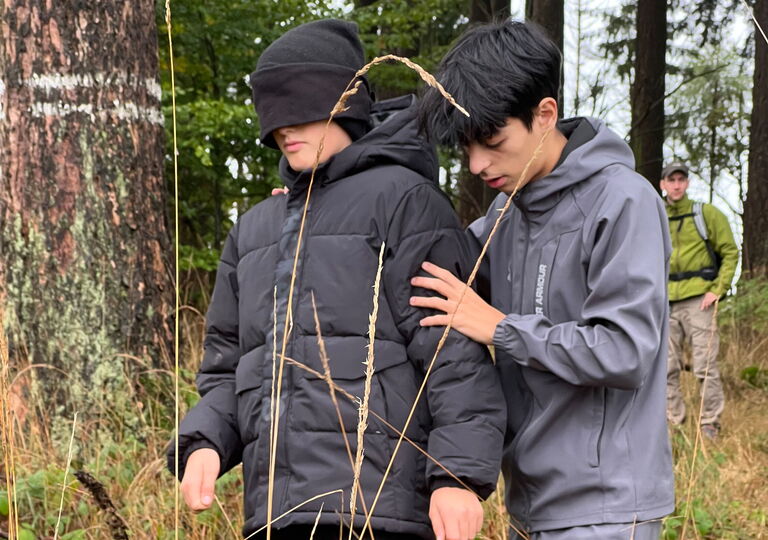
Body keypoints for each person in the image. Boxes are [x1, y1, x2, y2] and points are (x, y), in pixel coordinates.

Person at [167, 19, 506, 540]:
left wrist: (458, 477)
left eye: (299, 109)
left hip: (380, 510)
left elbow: (452, 357)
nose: (283, 129)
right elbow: (229, 367)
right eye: (273, 115)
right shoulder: (255, 230)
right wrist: (205, 442)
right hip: (275, 513)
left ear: (343, 102)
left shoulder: (404, 202)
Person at [412, 20, 674, 540]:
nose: (478, 164)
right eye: (466, 147)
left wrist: (502, 328)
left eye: (492, 140)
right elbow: (432, 270)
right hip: (528, 506)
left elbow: (625, 351)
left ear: (544, 113)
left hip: (606, 510)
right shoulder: (504, 215)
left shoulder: (624, 200)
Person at [659, 161, 738, 440]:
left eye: (681, 179)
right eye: (672, 180)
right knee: (665, 367)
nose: (677, 185)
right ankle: (673, 424)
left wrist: (718, 288)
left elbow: (730, 251)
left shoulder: (705, 214)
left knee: (705, 365)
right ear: (663, 185)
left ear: (687, 183)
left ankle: (710, 424)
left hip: (700, 301)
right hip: (665, 302)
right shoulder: (655, 217)